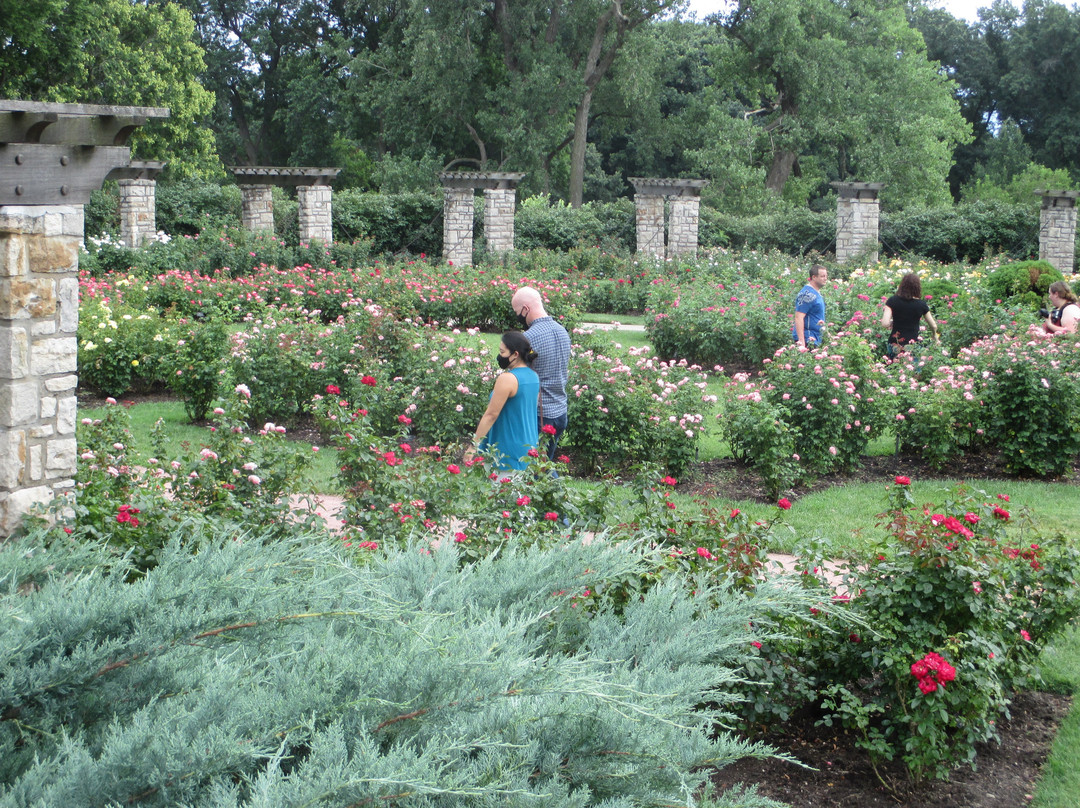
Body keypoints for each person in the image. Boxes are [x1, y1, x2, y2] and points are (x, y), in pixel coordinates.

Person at [463, 331, 540, 471]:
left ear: (515, 354)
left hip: (507, 448)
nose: (500, 356)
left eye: (502, 352)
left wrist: (473, 446)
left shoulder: (508, 379)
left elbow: (491, 415)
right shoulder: (533, 376)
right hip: (528, 445)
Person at [510, 286, 571, 459]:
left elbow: (517, 377)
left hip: (540, 416)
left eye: (517, 312)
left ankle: (558, 487)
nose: (517, 316)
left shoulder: (529, 338)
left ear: (525, 309)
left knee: (536, 469)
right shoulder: (562, 331)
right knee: (544, 465)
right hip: (560, 410)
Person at [881, 272, 940, 357]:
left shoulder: (892, 301)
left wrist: (892, 322)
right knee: (912, 368)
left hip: (895, 343)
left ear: (902, 286)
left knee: (893, 367)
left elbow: (885, 323)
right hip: (913, 345)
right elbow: (933, 325)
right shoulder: (921, 304)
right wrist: (934, 335)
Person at [792, 264, 828, 348]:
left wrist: (828, 335)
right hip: (808, 338)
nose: (825, 278)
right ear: (814, 277)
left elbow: (817, 317)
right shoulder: (807, 295)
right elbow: (798, 317)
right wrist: (801, 343)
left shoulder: (816, 293)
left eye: (826, 276)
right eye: (822, 276)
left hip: (815, 338)